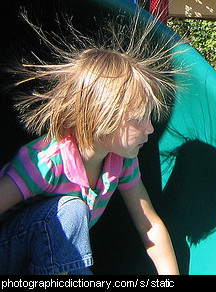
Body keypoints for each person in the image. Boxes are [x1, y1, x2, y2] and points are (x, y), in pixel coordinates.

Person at [0, 12, 180, 275]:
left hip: (45, 264)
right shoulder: (45, 163)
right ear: (100, 118)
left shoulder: (121, 160)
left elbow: (149, 227)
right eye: (138, 119)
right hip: (8, 254)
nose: (150, 129)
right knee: (71, 210)